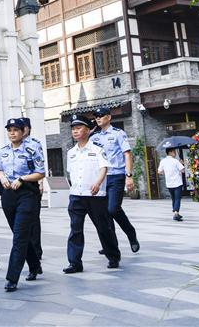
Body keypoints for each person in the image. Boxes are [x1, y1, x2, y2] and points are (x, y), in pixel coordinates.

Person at [63, 117, 120, 274]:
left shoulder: (97, 149)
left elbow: (104, 168)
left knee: (103, 227)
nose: (75, 131)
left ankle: (113, 256)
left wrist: (97, 182)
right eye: (73, 128)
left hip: (95, 195)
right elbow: (71, 173)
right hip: (76, 195)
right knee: (75, 229)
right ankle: (74, 263)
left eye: (79, 128)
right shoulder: (71, 152)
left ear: (88, 130)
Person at [0, 117, 45, 292]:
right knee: (20, 234)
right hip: (9, 194)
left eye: (15, 130)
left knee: (19, 236)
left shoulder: (32, 149)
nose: (12, 133)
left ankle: (12, 278)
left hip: (27, 194)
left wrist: (22, 179)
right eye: (9, 130)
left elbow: (40, 173)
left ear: (23, 131)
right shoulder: (3, 151)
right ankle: (34, 265)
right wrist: (1, 177)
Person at [89, 107, 140, 252]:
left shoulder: (118, 134)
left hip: (116, 175)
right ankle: (111, 246)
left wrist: (129, 176)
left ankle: (131, 233)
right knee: (104, 213)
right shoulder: (94, 137)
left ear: (109, 117)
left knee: (112, 209)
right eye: (96, 116)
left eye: (101, 115)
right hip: (101, 178)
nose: (98, 118)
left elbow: (128, 155)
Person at [20, 116, 44, 281]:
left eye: (20, 128)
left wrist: (41, 183)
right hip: (15, 189)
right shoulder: (10, 145)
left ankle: (36, 252)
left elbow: (40, 166)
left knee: (34, 222)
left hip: (31, 186)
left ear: (27, 129)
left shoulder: (34, 144)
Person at [158, 148, 186, 222]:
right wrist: (182, 163)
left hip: (169, 183)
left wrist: (167, 172)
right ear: (169, 152)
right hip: (177, 182)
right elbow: (182, 170)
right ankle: (176, 213)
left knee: (174, 199)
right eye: (174, 151)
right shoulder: (176, 161)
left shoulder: (163, 161)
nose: (175, 153)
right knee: (177, 199)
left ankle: (175, 213)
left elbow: (159, 171)